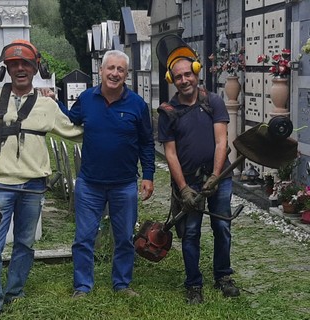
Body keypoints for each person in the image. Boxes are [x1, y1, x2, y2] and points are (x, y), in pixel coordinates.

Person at [0, 39, 83, 317]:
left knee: (24, 244)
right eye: (13, 64)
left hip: (33, 187)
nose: (20, 68)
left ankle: (15, 293)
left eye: (25, 64)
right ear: (5, 69)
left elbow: (77, 131)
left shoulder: (47, 106)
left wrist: (114, 125)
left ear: (35, 68)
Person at [57, 50, 155, 298]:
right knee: (83, 238)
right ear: (101, 71)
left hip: (124, 184)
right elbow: (70, 119)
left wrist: (148, 175)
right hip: (90, 184)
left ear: (126, 74)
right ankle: (82, 286)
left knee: (123, 238)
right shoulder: (87, 99)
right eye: (110, 68)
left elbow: (146, 143)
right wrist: (52, 100)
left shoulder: (137, 105)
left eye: (120, 69)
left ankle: (121, 284)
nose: (114, 73)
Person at [156, 35, 240, 304]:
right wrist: (183, 188)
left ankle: (223, 276)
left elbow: (221, 141)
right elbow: (170, 153)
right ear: (172, 79)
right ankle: (194, 284)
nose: (184, 81)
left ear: (195, 72)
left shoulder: (213, 102)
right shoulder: (168, 112)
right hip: (188, 182)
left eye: (187, 75)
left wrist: (216, 176)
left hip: (220, 178)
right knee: (190, 232)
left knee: (222, 228)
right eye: (178, 77)